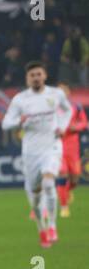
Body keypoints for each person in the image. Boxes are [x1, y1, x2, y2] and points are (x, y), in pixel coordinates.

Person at [1, 62, 72, 247]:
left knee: (49, 182)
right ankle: (41, 228)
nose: (36, 77)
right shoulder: (20, 100)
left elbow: (68, 110)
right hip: (31, 151)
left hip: (52, 145)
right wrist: (18, 120)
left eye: (38, 74)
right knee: (35, 196)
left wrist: (62, 127)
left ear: (45, 75)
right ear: (27, 78)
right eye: (32, 75)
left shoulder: (56, 94)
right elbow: (5, 123)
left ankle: (52, 226)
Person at [56, 84, 86, 218]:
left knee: (75, 178)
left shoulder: (76, 107)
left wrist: (76, 126)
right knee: (62, 173)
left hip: (73, 147)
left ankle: (68, 191)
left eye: (64, 91)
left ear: (68, 93)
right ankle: (64, 207)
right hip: (57, 145)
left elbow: (84, 122)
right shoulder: (51, 109)